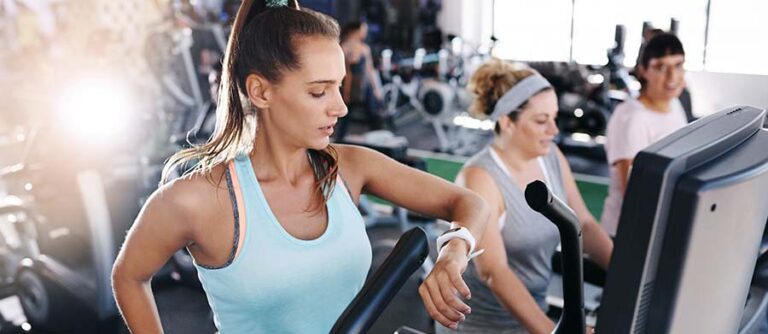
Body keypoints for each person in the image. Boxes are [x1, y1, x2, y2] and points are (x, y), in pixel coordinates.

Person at [111, 1, 490, 333]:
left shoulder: (351, 167)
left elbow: (470, 203)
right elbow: (128, 276)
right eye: (318, 91)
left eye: (339, 87)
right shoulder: (198, 198)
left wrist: (454, 250)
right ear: (261, 92)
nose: (340, 107)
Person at [438, 59, 614, 334]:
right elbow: (494, 272)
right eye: (542, 121)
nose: (554, 131)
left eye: (554, 118)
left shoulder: (551, 157)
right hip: (483, 327)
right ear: (507, 122)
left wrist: (628, 276)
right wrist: (552, 332)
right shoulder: (480, 179)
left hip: (535, 315)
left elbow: (585, 226)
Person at [601, 33, 688, 236]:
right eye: (660, 67)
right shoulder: (632, 118)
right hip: (628, 233)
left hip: (662, 225)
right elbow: (634, 193)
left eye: (678, 65)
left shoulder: (675, 105)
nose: (672, 77)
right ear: (643, 71)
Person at [335, 20, 384, 140]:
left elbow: (370, 70)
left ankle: (378, 141)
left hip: (365, 86)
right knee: (346, 115)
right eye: (363, 29)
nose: (365, 32)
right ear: (356, 31)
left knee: (373, 113)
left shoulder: (364, 48)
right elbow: (340, 69)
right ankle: (339, 141)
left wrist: (376, 88)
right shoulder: (343, 47)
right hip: (350, 86)